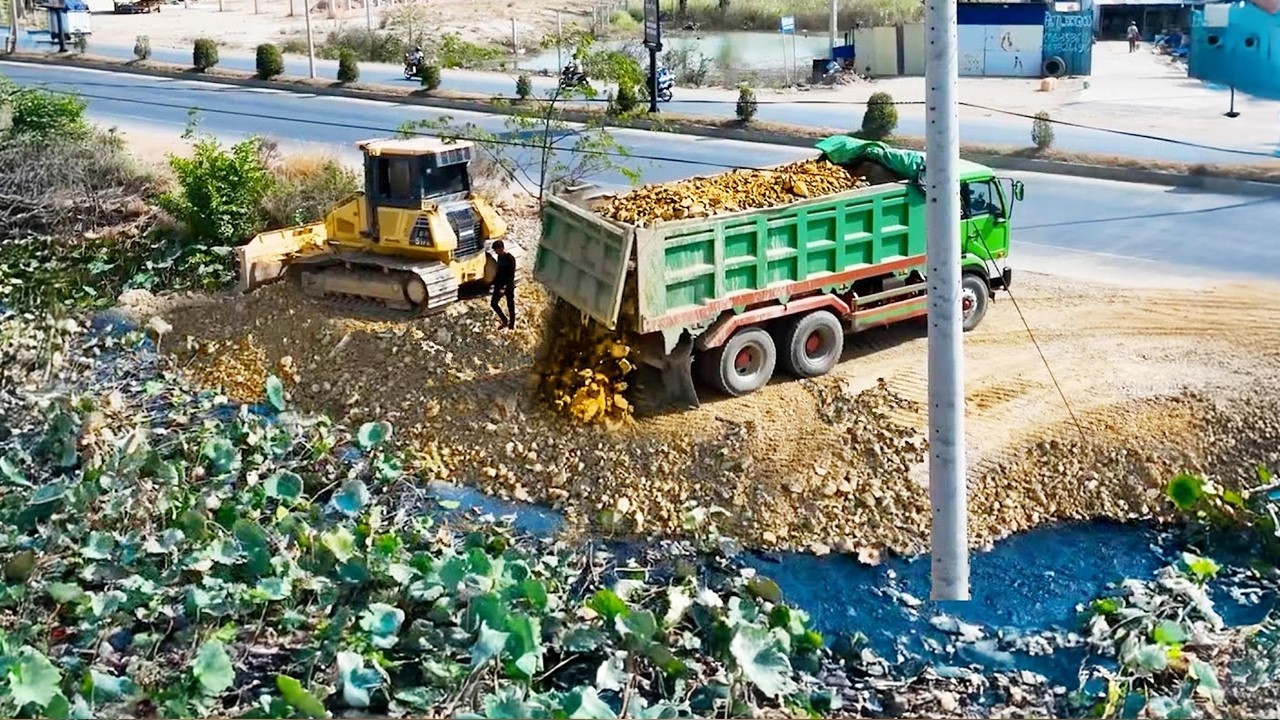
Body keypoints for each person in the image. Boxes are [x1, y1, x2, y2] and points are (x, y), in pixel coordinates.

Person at [489, 240, 516, 330]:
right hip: (499, 284)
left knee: (510, 304)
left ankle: (511, 324)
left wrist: (503, 288)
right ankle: (504, 320)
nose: (496, 252)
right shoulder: (499, 257)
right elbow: (499, 273)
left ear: (501, 248)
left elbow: (511, 275)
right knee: (493, 303)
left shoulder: (510, 259)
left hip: (508, 286)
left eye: (496, 250)